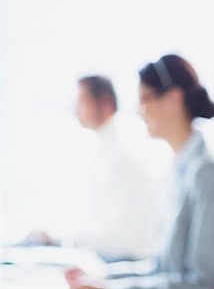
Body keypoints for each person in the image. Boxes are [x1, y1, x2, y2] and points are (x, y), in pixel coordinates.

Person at [65, 55, 214, 289]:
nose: (140, 111)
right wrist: (104, 278)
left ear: (173, 99)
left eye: (145, 99)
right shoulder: (177, 172)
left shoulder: (210, 176)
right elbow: (159, 268)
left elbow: (207, 283)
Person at [23, 75, 155, 262]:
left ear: (105, 103)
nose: (75, 110)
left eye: (81, 102)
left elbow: (122, 239)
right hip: (109, 259)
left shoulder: (122, 158)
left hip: (122, 262)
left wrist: (57, 240)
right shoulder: (107, 152)